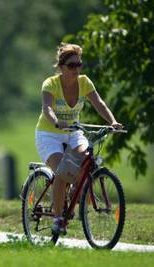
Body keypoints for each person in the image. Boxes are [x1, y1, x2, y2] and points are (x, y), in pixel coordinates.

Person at [35, 43, 123, 235]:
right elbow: (47, 108)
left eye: (79, 64)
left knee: (86, 162)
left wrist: (113, 121)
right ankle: (58, 219)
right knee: (62, 171)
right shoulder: (50, 84)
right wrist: (57, 122)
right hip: (49, 135)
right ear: (61, 67)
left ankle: (74, 198)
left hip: (74, 132)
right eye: (72, 65)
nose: (77, 69)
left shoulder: (84, 82)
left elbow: (99, 103)